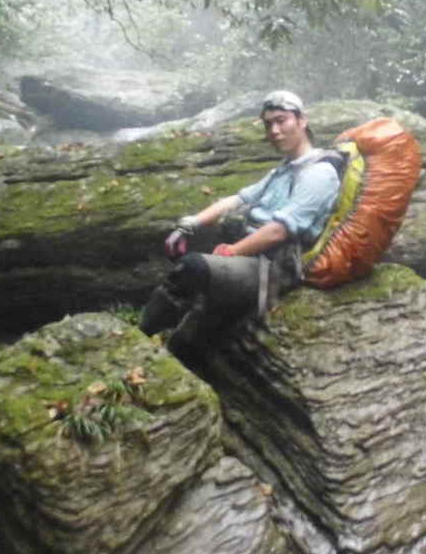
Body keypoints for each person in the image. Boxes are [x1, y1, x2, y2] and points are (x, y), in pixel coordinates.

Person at [141, 90, 341, 362]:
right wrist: (189, 225)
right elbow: (237, 199)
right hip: (251, 256)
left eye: (281, 120)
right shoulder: (283, 170)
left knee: (194, 267)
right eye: (268, 124)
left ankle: (139, 338)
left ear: (302, 120)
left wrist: (232, 252)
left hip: (273, 269)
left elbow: (279, 231)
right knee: (193, 318)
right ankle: (168, 343)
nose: (274, 130)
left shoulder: (319, 173)